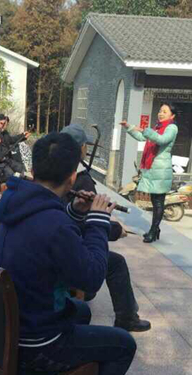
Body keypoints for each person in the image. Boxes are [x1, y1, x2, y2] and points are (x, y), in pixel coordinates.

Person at [0, 132, 136, 375]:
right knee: (123, 345)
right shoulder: (53, 224)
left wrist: (74, 210)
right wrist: (98, 220)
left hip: (13, 324)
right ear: (73, 176)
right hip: (37, 341)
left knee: (81, 311)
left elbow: (52, 233)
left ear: (34, 170)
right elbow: (91, 278)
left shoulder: (17, 202)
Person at [61, 124, 151, 332]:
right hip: (66, 250)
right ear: (81, 148)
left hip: (60, 241)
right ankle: (127, 318)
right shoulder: (79, 179)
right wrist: (114, 230)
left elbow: (69, 215)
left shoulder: (53, 171)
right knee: (115, 263)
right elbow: (84, 224)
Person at [121, 103, 178, 243]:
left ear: (172, 116)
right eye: (160, 111)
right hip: (153, 168)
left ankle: (153, 230)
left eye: (165, 111)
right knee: (154, 200)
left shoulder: (172, 128)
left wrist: (145, 130)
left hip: (161, 170)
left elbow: (161, 140)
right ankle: (155, 229)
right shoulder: (157, 127)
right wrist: (129, 127)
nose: (161, 113)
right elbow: (142, 137)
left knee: (158, 202)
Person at [0, 114, 31, 194]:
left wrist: (23, 136)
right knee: (5, 176)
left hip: (6, 161)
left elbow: (11, 140)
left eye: (5, 124)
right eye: (1, 123)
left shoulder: (5, 133)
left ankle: (20, 191)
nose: (3, 126)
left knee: (19, 170)